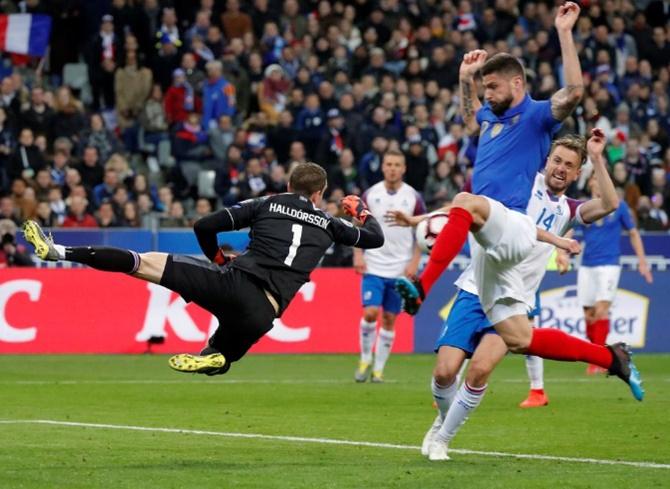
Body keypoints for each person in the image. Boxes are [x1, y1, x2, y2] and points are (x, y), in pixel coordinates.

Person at [394, 3, 643, 449]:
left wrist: (565, 31)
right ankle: (612, 358)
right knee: (510, 344)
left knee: (465, 202)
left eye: (493, 86)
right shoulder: (491, 118)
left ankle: (422, 285)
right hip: (491, 264)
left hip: (508, 229)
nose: (487, 94)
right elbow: (472, 118)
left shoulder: (537, 117)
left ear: (518, 84)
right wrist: (465, 80)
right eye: (484, 88)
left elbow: (575, 90)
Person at [22, 163, 384, 375]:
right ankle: (215, 356)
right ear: (319, 193)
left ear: (288, 186)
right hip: (265, 312)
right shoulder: (330, 224)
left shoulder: (266, 203)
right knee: (221, 357)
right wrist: (361, 211)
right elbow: (375, 238)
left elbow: (204, 226)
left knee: (141, 262)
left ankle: (58, 250)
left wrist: (217, 259)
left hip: (232, 283)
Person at [392, 129, 621, 460]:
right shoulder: (520, 187)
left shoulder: (570, 211)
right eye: (557, 159)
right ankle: (442, 422)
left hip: (516, 301)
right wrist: (417, 219)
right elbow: (468, 205)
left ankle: (443, 439)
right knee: (444, 372)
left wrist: (598, 157)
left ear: (577, 172)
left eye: (569, 164)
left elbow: (611, 203)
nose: (561, 167)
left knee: (480, 370)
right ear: (547, 161)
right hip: (475, 288)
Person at [353, 150, 424, 383]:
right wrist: (358, 254)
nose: (392, 168)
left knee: (390, 319)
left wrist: (415, 261)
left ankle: (379, 369)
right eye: (389, 164)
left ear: (404, 168)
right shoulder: (371, 194)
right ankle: (365, 359)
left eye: (397, 164)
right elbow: (356, 223)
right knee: (370, 312)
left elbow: (421, 231)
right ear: (383, 167)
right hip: (374, 264)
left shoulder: (413, 196)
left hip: (400, 268)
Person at [574, 174, 653, 374]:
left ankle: (598, 360)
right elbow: (569, 226)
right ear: (591, 183)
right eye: (595, 180)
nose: (598, 183)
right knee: (588, 313)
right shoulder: (584, 207)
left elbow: (633, 233)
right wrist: (560, 251)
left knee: (601, 309)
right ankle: (599, 354)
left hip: (609, 264)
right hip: (587, 264)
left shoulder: (619, 206)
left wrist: (642, 261)